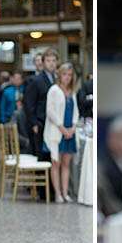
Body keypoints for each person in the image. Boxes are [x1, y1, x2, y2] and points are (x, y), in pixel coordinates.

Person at [44, 63, 80, 203]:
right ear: (60, 75)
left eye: (70, 75)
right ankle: (57, 193)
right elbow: (50, 111)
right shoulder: (53, 90)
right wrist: (62, 128)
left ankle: (65, 193)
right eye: (65, 74)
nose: (67, 78)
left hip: (70, 131)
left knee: (66, 164)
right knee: (56, 163)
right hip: (57, 131)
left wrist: (73, 127)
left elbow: (76, 111)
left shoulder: (72, 91)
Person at [24, 48, 58, 156]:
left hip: (54, 122)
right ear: (43, 63)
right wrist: (34, 123)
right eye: (48, 61)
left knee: (53, 154)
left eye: (53, 61)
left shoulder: (57, 79)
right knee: (42, 155)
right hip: (40, 122)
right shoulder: (36, 80)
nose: (51, 64)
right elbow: (29, 104)